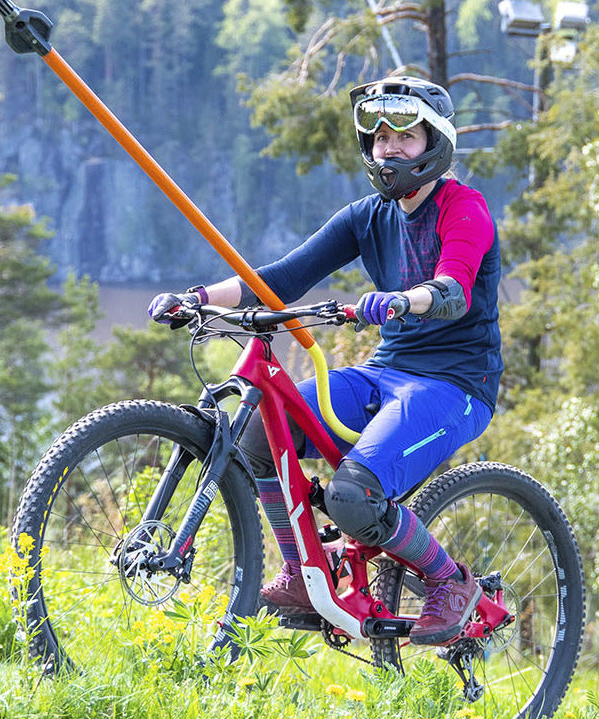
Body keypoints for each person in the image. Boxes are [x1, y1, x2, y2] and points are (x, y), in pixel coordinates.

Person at [147, 76, 501, 646]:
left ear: (434, 140)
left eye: (404, 136)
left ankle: (450, 582)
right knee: (260, 435)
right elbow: (281, 280)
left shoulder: (464, 209)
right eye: (378, 136)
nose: (388, 148)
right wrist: (199, 298)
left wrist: (402, 301)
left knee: (353, 495)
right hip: (384, 374)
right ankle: (300, 570)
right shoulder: (367, 216)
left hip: (455, 385)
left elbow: (453, 289)